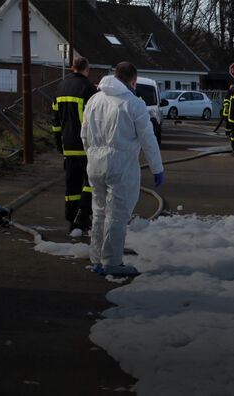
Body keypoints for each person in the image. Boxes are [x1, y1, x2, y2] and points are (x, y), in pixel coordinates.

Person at [81, 62, 164, 276]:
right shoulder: (133, 104)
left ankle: (97, 257)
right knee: (117, 214)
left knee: (99, 211)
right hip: (121, 164)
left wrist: (90, 154)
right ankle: (112, 262)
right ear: (133, 81)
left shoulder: (94, 100)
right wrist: (157, 168)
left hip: (94, 162)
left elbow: (84, 133)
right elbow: (148, 139)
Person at [51, 57, 98, 233]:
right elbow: (94, 119)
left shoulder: (61, 87)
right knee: (90, 182)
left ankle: (72, 220)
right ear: (87, 69)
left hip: (68, 144)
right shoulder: (89, 88)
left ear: (72, 68)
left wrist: (58, 142)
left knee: (72, 185)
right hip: (86, 145)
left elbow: (55, 118)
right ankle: (83, 217)